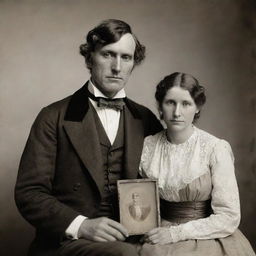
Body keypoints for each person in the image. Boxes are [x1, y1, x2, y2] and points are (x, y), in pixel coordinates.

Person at [15, 19, 162, 256]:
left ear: (133, 63)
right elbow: (29, 193)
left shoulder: (145, 119)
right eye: (108, 54)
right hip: (67, 242)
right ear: (89, 58)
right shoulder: (53, 116)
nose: (117, 67)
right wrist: (81, 225)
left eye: (126, 57)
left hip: (135, 236)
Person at [139, 72, 255, 255]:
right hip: (157, 235)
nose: (177, 112)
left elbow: (229, 216)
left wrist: (175, 233)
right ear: (160, 106)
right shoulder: (148, 146)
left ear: (197, 108)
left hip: (205, 237)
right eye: (170, 103)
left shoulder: (215, 148)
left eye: (186, 104)